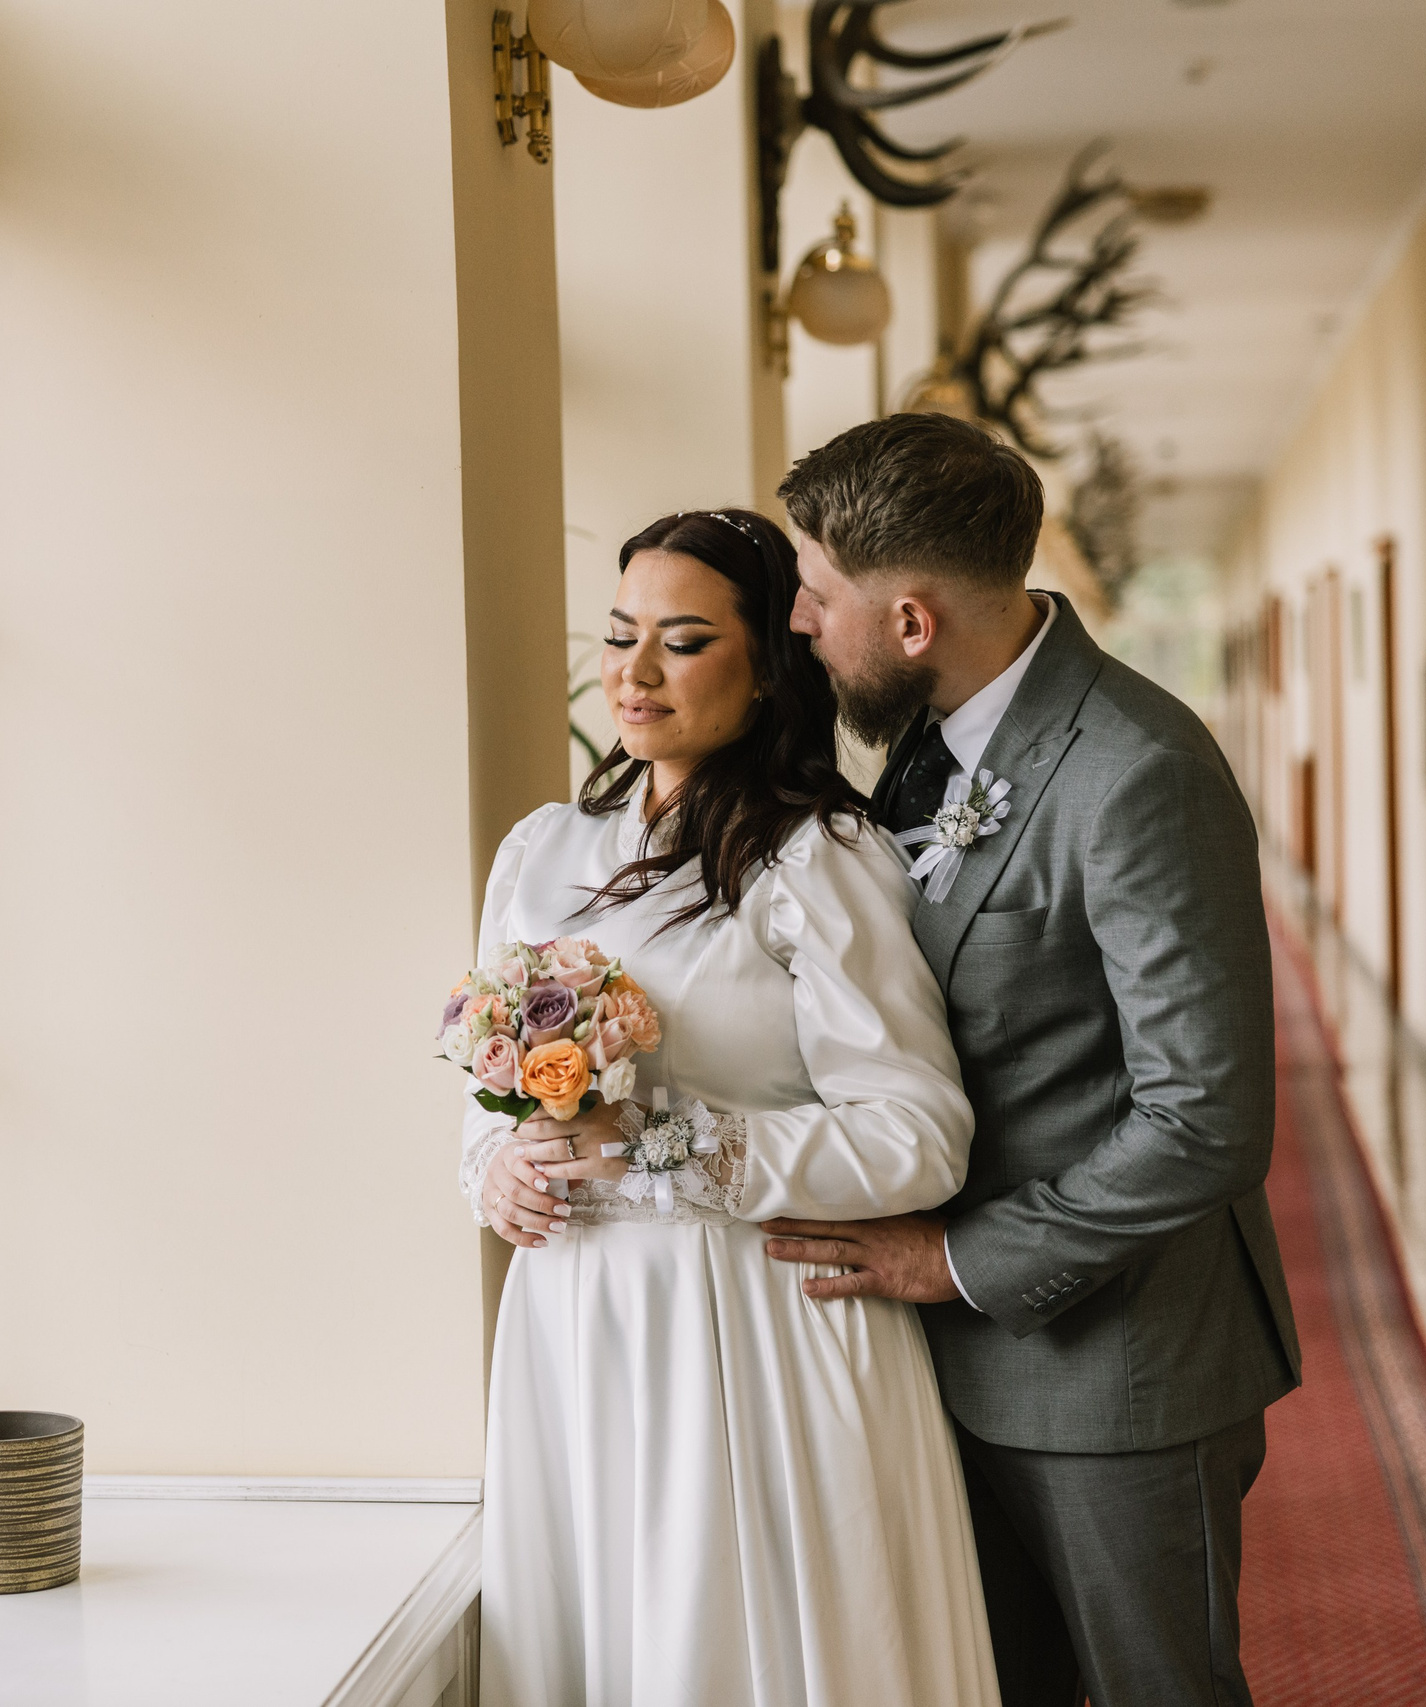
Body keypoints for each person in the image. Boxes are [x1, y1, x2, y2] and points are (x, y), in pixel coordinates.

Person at [762, 413, 1301, 1707]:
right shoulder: (922, 741)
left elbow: (1208, 1117)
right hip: (945, 1362)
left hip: (1119, 1368)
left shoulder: (1136, 768)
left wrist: (953, 1259)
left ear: (909, 620)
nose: (795, 620)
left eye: (816, 593)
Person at [467, 508, 1003, 1707]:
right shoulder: (541, 851)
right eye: (618, 635)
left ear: (768, 669)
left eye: (684, 640)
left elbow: (918, 1133)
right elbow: (484, 1090)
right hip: (575, 1324)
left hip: (751, 1326)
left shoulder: (819, 860)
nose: (634, 672)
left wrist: (661, 1150)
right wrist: (494, 1168)